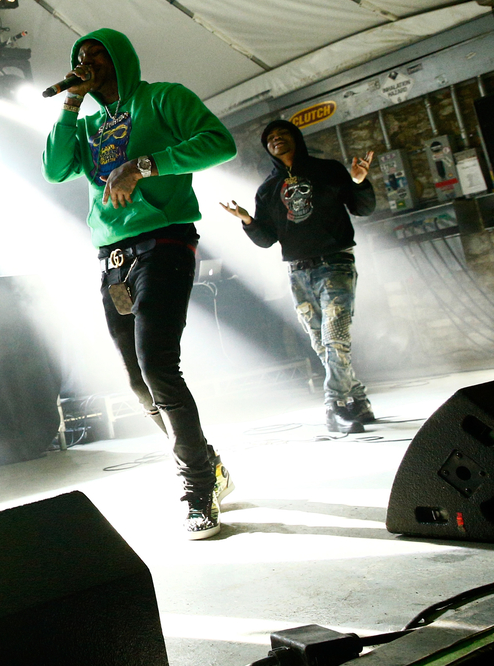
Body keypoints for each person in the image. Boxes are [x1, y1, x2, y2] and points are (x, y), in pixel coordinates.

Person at [43, 29, 236, 539]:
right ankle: (207, 462)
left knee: (157, 365)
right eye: (80, 58)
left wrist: (144, 165)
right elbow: (56, 168)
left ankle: (197, 486)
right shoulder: (86, 124)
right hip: (113, 256)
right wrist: (69, 107)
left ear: (121, 56)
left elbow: (220, 142)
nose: (88, 62)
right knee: (136, 379)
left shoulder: (163, 97)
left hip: (166, 241)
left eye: (97, 54)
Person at [220, 120, 377, 433]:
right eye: (270, 138)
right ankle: (358, 399)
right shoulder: (267, 190)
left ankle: (335, 405)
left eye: (282, 134)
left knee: (335, 337)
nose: (276, 140)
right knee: (322, 342)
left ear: (297, 138)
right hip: (297, 272)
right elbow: (267, 239)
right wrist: (247, 220)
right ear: (268, 148)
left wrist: (358, 181)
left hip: (335, 264)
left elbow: (363, 208)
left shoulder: (328, 170)